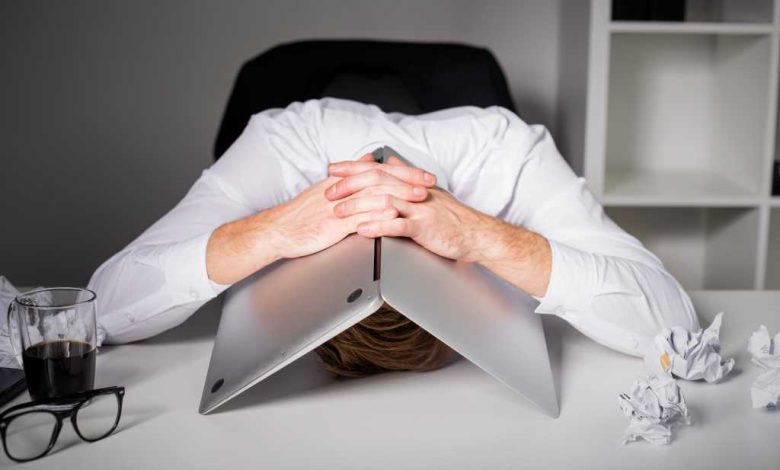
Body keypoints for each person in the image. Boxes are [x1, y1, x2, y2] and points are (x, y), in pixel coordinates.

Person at [1, 98, 700, 375]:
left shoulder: (509, 153)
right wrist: (276, 230)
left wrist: (484, 237)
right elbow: (101, 307)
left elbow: (674, 325)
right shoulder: (282, 145)